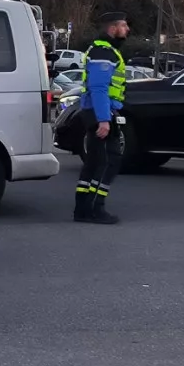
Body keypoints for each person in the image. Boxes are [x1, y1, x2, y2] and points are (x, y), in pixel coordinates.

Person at [74, 11, 130, 225]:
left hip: (96, 111)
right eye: (124, 25)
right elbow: (98, 88)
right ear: (113, 28)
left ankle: (82, 208)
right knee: (109, 161)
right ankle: (95, 208)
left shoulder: (102, 50)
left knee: (95, 161)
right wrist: (104, 119)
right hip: (100, 112)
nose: (127, 30)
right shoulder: (104, 53)